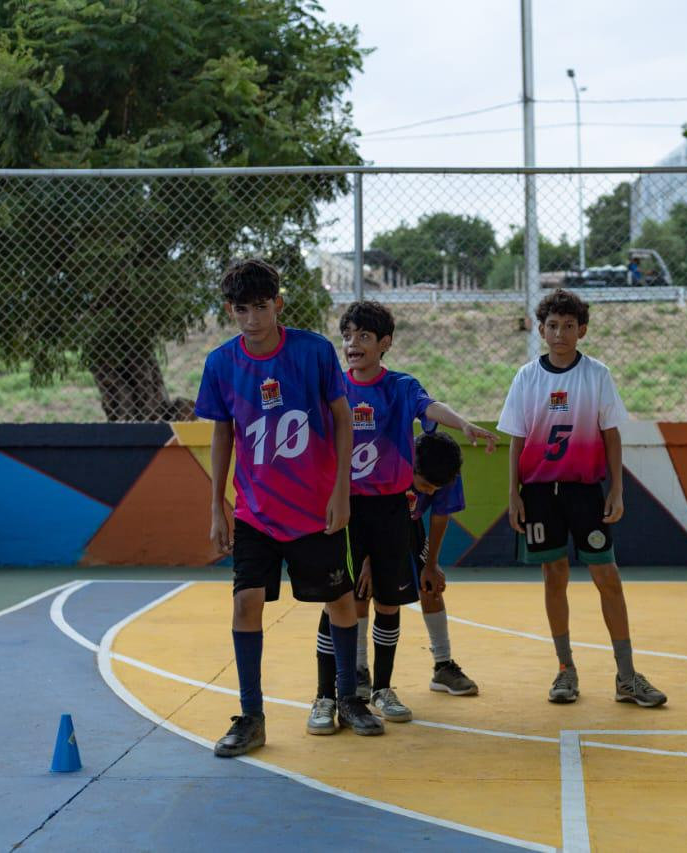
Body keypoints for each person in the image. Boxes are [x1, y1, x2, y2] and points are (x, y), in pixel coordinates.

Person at [196, 259, 382, 758]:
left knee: (339, 600)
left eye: (262, 307)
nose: (252, 318)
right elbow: (222, 433)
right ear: (230, 311)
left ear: (278, 305)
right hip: (255, 512)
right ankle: (251, 716)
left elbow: (342, 418)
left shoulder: (313, 351)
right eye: (242, 309)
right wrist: (217, 506)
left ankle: (348, 698)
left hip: (314, 510)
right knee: (245, 602)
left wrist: (341, 491)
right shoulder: (221, 364)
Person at [307, 301, 495, 734]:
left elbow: (430, 407)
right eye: (347, 336)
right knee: (339, 598)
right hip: (347, 505)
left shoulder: (400, 387)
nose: (353, 343)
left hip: (391, 508)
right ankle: (326, 694)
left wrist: (464, 424)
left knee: (389, 602)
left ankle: (382, 689)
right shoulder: (334, 389)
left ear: (385, 343)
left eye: (364, 336)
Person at [496, 288, 666, 707]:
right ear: (541, 330)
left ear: (582, 330)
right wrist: (513, 494)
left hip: (585, 491)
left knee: (607, 576)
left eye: (569, 326)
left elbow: (611, 434)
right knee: (554, 576)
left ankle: (626, 675)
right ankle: (565, 668)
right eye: (552, 326)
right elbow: (517, 439)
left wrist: (617, 489)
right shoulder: (527, 377)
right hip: (539, 492)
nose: (560, 333)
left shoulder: (597, 375)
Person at [313, 430, 479, 720]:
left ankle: (442, 665)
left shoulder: (445, 469)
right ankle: (359, 670)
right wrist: (368, 562)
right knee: (360, 590)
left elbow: (440, 515)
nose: (429, 493)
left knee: (429, 586)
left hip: (406, 525)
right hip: (365, 522)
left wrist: (432, 563)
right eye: (425, 486)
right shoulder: (387, 462)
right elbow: (363, 514)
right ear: (410, 467)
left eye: (435, 489)